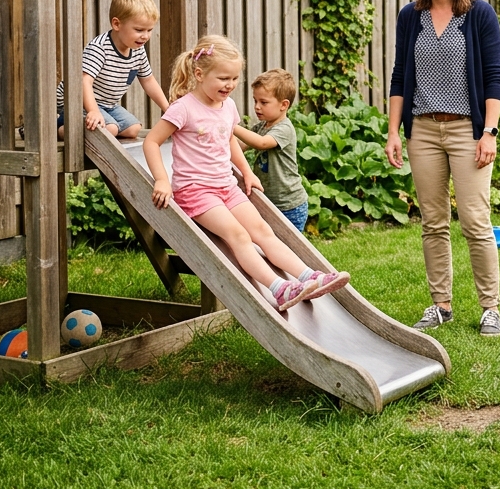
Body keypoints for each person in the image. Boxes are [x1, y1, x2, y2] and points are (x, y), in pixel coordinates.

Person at [143, 36, 348, 312]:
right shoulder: (184, 109)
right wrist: (162, 180)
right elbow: (151, 141)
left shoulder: (227, 106)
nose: (229, 85)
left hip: (226, 186)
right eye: (223, 78)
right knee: (238, 235)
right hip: (197, 192)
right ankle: (278, 289)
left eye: (235, 78)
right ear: (199, 74)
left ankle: (309, 277)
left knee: (263, 230)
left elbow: (228, 139)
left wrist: (247, 172)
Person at [385, 0, 500, 337]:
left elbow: (493, 79)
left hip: (467, 132)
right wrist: (394, 133)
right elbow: (400, 76)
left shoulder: (479, 15)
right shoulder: (410, 16)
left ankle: (490, 307)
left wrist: (488, 132)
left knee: (475, 221)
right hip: (422, 129)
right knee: (433, 222)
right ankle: (441, 305)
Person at [56, 0, 170, 140]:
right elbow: (84, 81)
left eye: (149, 30)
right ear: (117, 24)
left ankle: (94, 123)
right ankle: (60, 129)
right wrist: (93, 111)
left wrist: (168, 109)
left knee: (133, 128)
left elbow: (148, 80)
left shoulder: (137, 49)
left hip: (107, 104)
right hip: (77, 102)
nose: (145, 36)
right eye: (139, 30)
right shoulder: (100, 48)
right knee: (110, 129)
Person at [233, 69, 309, 232]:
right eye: (255, 101)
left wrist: (231, 126)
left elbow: (261, 143)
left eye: (263, 102)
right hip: (267, 202)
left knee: (291, 250)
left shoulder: (284, 128)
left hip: (290, 205)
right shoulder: (261, 126)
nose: (257, 107)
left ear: (284, 105)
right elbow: (241, 146)